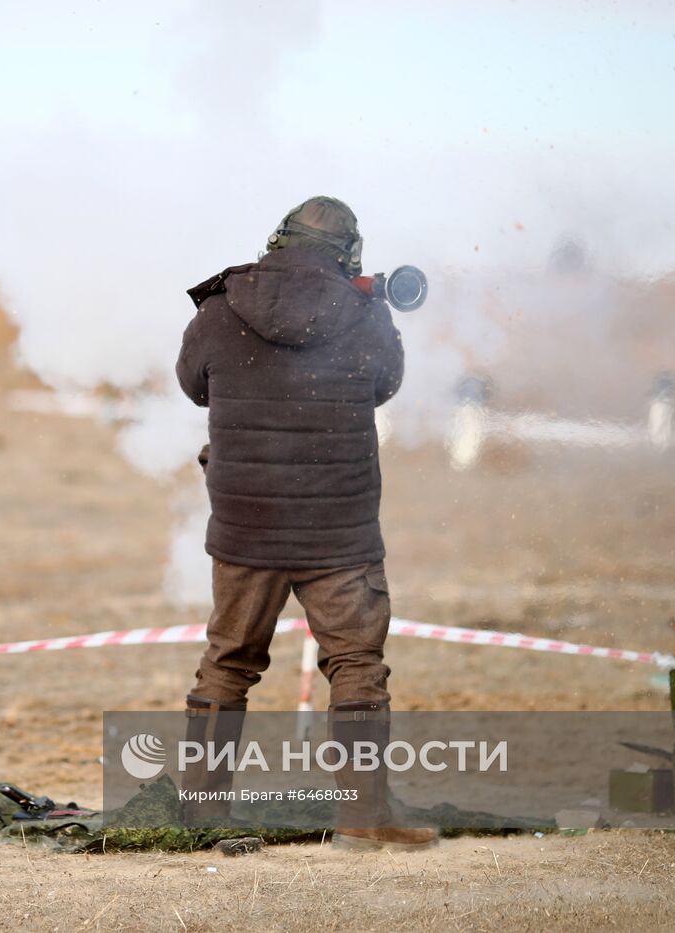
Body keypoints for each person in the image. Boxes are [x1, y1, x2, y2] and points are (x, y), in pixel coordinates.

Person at [174, 196, 436, 849]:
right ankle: (363, 815)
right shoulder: (366, 313)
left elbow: (192, 384)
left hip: (248, 524)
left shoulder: (219, 308)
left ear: (278, 239)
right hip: (337, 527)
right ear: (348, 252)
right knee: (357, 664)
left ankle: (202, 817)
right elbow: (386, 384)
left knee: (228, 661)